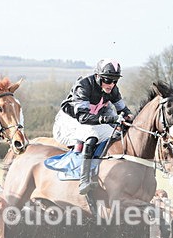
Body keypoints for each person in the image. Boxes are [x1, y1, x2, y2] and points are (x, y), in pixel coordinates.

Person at [52, 59, 134, 194]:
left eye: (115, 81)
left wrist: (129, 117)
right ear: (98, 76)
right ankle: (84, 180)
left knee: (117, 135)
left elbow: (123, 109)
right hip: (69, 121)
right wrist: (110, 119)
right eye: (108, 80)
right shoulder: (83, 86)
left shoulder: (113, 89)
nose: (111, 84)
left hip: (91, 120)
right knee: (92, 136)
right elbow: (83, 118)